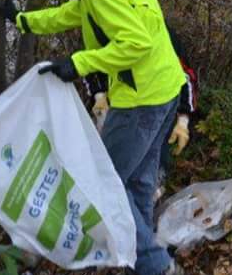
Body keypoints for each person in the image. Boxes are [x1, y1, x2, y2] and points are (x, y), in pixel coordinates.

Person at [0, 0, 185, 275]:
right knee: (139, 184)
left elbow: (136, 43)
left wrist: (77, 64)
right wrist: (22, 20)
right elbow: (70, 15)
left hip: (140, 100)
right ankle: (143, 254)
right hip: (165, 89)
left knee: (101, 186)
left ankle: (157, 269)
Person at [84, 26, 198, 201]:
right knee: (111, 170)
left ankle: (150, 192)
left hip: (159, 106)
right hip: (119, 107)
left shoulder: (161, 33)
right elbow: (88, 63)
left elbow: (185, 76)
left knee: (149, 169)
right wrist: (99, 94)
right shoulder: (101, 25)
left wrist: (183, 119)